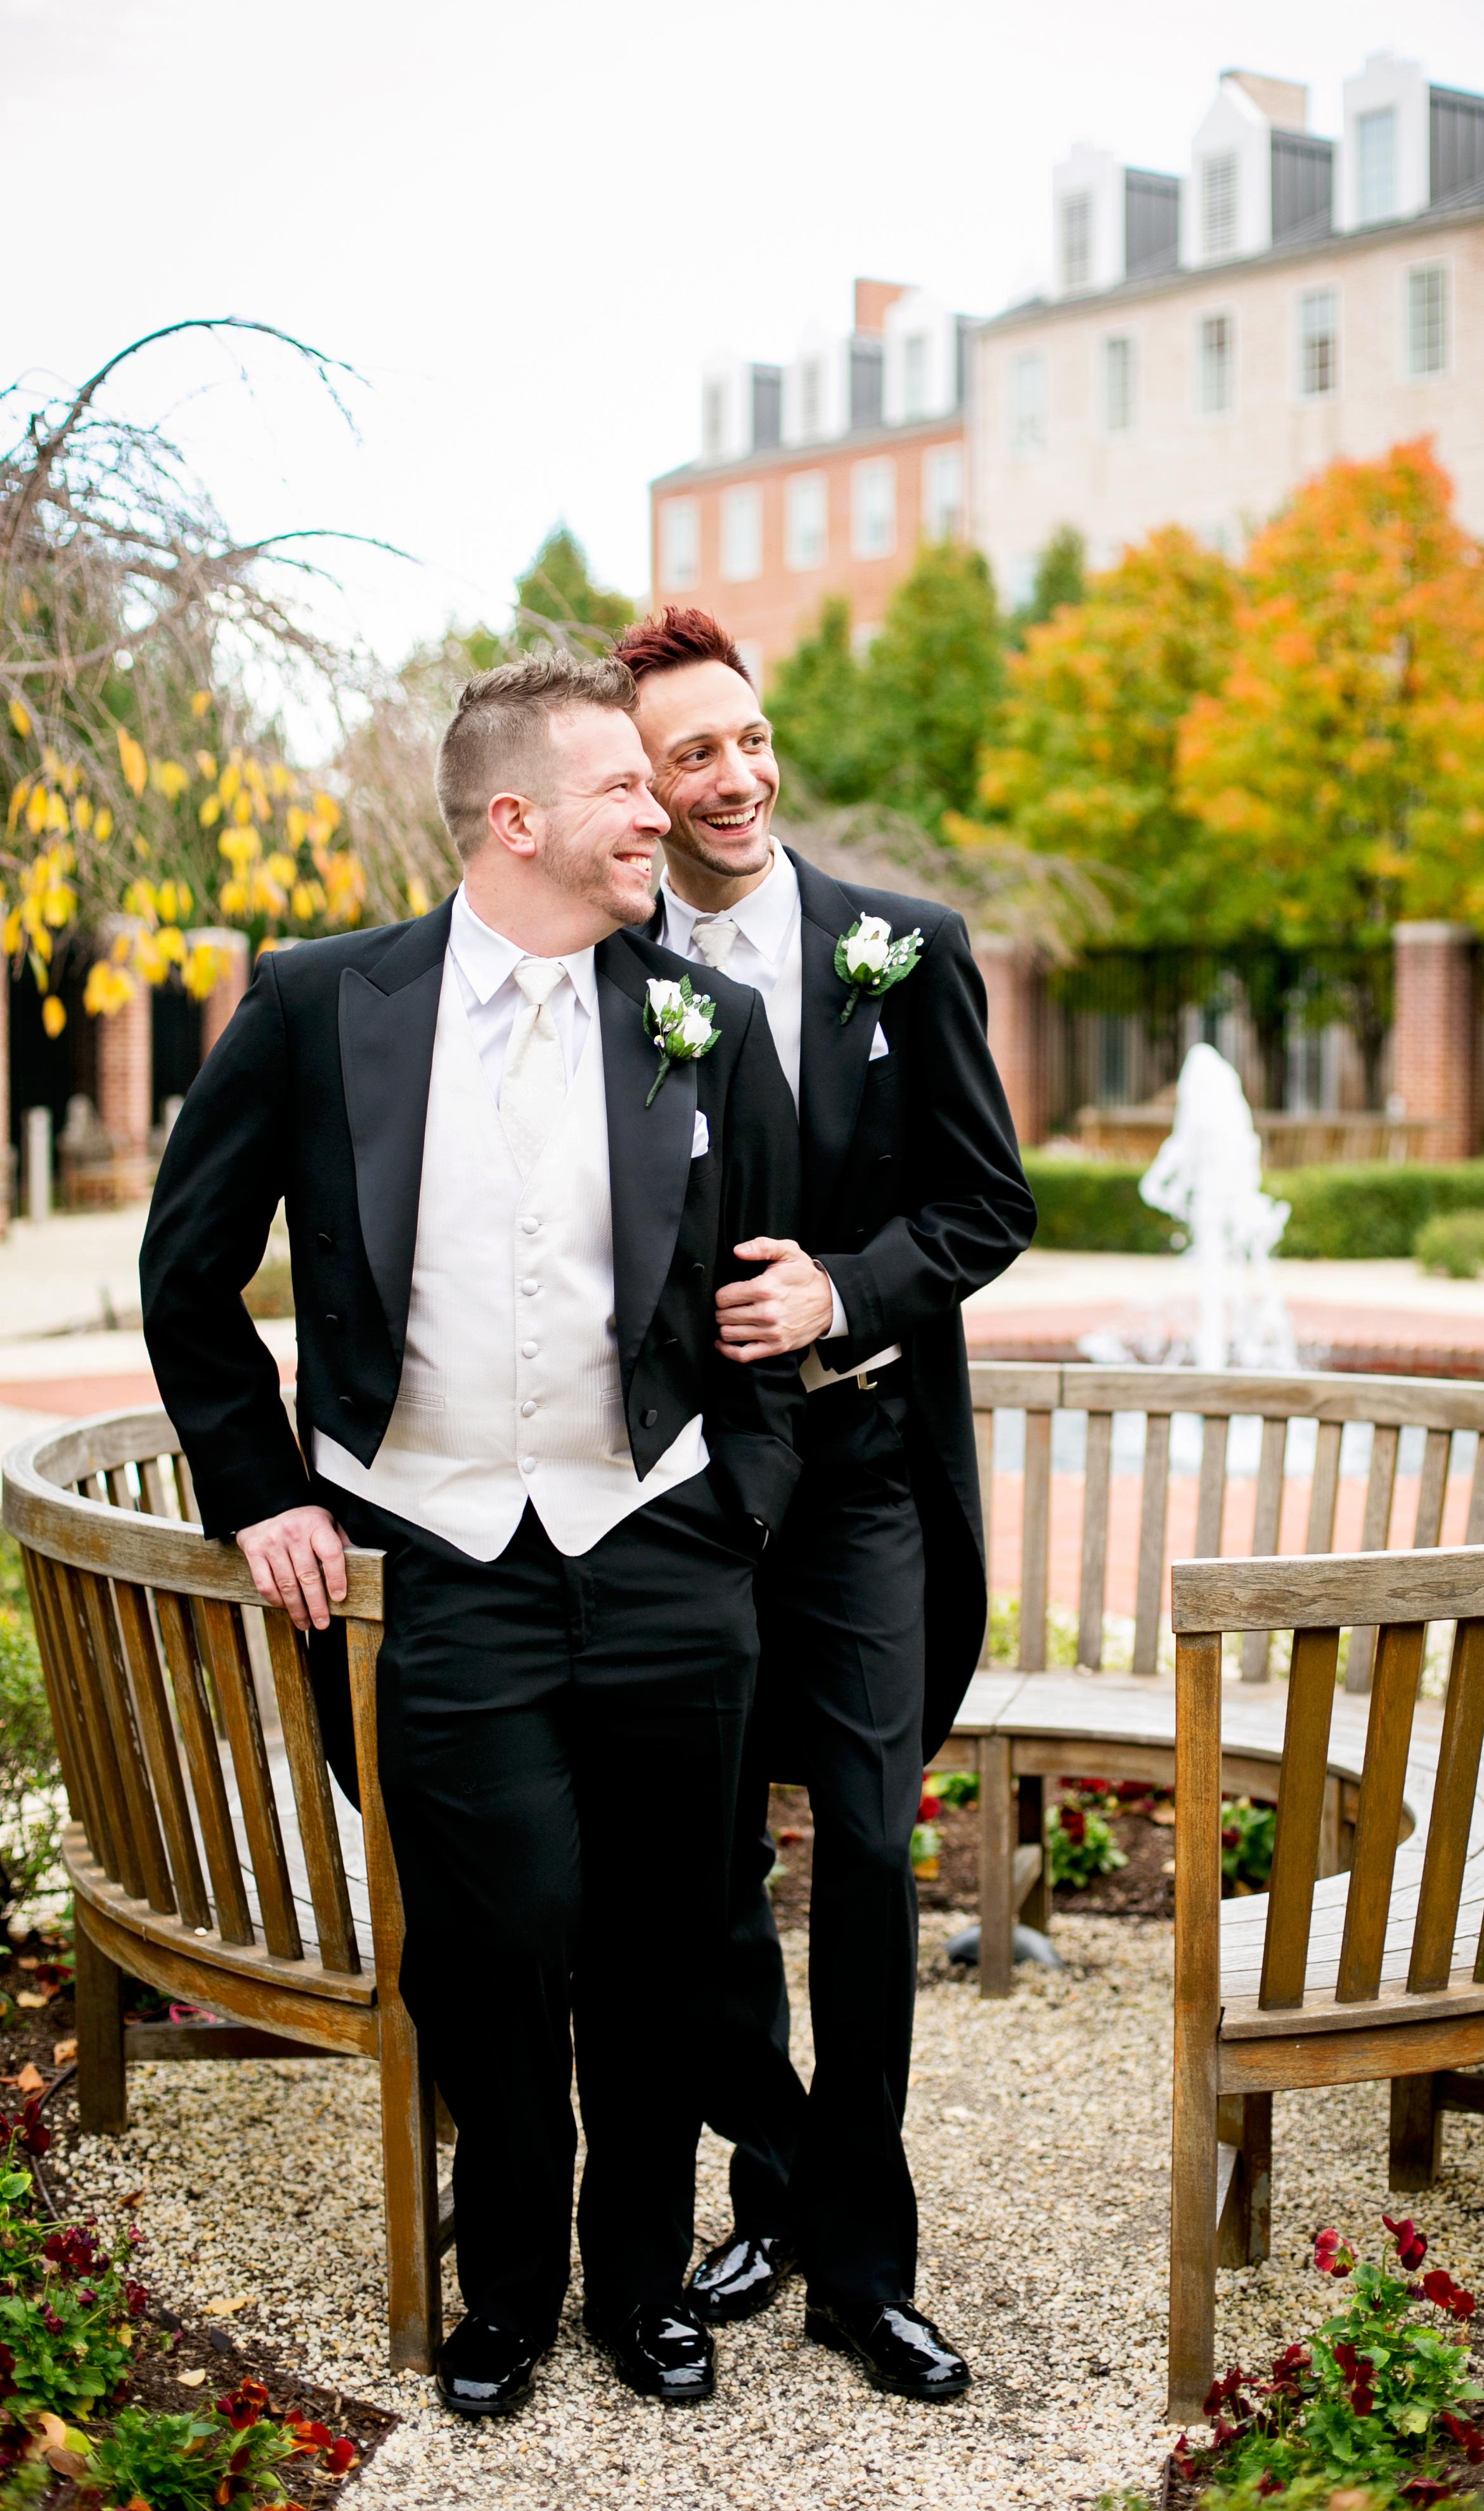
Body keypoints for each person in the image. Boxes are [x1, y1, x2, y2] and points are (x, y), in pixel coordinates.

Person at [140, 649, 805, 2418]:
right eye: (622, 789)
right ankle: (505, 2282)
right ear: (515, 817)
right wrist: (265, 1486)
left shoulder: (706, 1025)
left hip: (663, 1549)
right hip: (442, 1555)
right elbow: (186, 1272)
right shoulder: (313, 1006)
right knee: (495, 1943)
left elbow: (760, 1292)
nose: (661, 807)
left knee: (668, 1942)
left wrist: (739, 1508)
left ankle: (642, 2287)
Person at [616, 607, 1036, 2404]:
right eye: (689, 756)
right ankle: (775, 2178)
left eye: (751, 739)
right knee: (702, 1867)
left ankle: (865, 2267)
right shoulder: (597, 968)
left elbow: (986, 1207)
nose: (735, 777)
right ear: (633, 790)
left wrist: (842, 1293)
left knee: (866, 1851)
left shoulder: (905, 949)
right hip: (686, 1496)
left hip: (862, 1473)